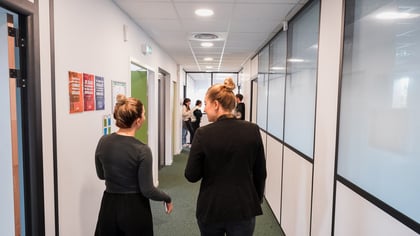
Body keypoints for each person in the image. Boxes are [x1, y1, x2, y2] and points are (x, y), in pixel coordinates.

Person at [184, 78, 267, 236]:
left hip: (211, 207)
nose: (205, 109)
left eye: (207, 104)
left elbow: (191, 175)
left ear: (216, 104)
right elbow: (261, 172)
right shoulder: (252, 130)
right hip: (244, 207)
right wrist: (256, 198)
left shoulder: (203, 134)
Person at [95, 95, 173, 236]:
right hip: (134, 208)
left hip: (109, 205)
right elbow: (148, 190)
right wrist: (166, 197)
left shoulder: (103, 141)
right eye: (143, 114)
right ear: (137, 121)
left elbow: (101, 175)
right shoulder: (142, 150)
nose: (144, 117)